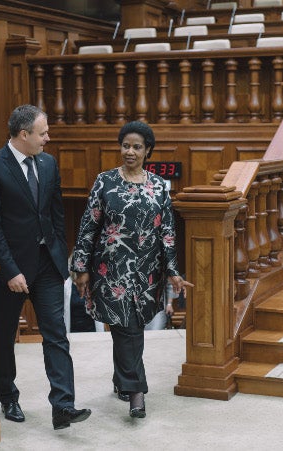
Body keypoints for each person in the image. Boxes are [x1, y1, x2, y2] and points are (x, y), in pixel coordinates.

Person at [0, 104, 91, 430]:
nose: (48, 139)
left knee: (56, 333)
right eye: (43, 133)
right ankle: (8, 396)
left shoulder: (49, 163)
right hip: (9, 268)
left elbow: (55, 214)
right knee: (3, 336)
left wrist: (60, 255)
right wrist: (10, 270)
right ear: (23, 134)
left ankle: (63, 406)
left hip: (47, 265)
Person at [71, 121, 193, 419]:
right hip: (111, 270)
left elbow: (167, 232)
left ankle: (121, 379)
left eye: (137, 146)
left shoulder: (158, 187)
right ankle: (136, 392)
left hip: (147, 273)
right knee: (127, 328)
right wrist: (81, 267)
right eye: (126, 145)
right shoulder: (105, 182)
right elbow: (89, 226)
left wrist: (173, 271)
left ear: (147, 150)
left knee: (129, 325)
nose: (130, 151)